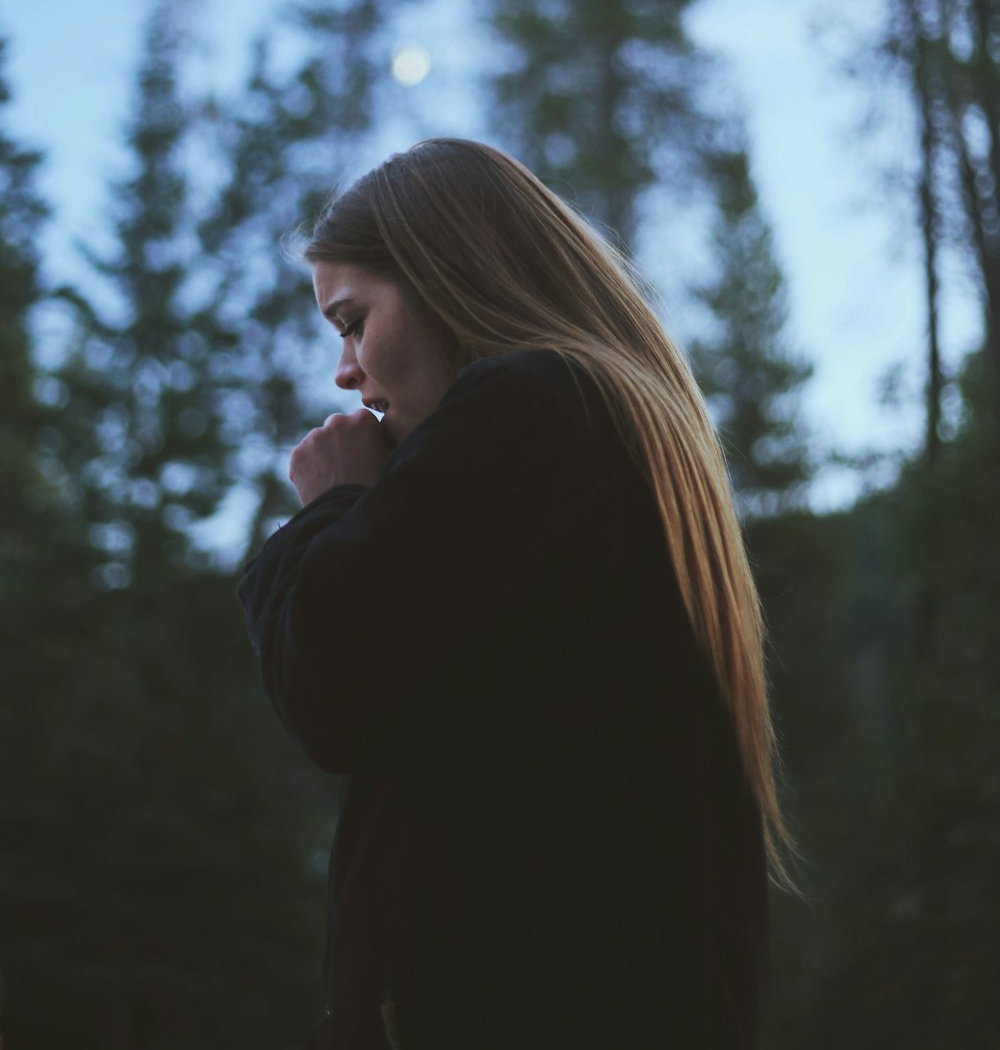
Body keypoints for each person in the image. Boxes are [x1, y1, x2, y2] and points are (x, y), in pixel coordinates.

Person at [237, 137, 794, 1050]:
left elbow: (331, 678)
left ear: (445, 275)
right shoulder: (599, 431)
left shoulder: (534, 407)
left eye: (351, 320)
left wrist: (331, 505)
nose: (345, 371)